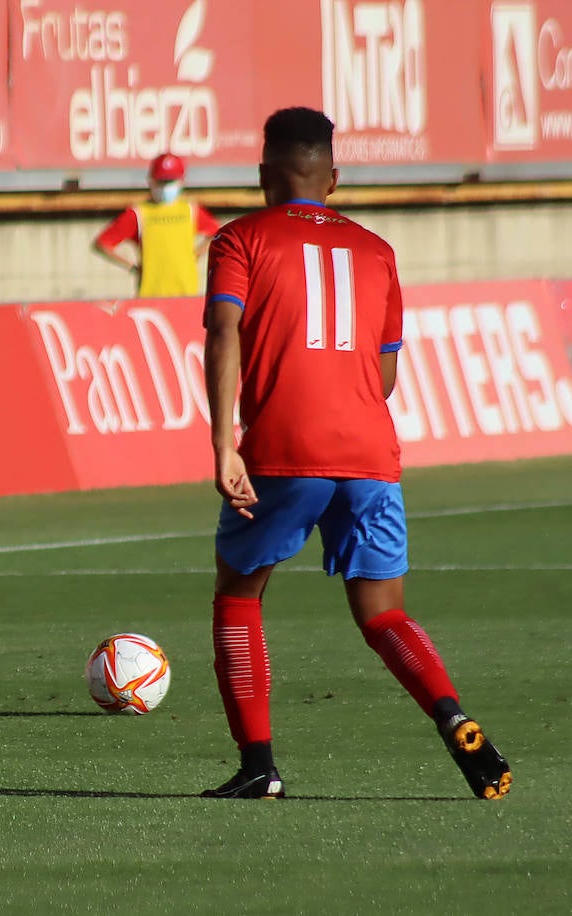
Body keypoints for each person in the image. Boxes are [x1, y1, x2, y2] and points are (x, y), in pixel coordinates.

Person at [200, 107, 511, 799]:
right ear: (332, 177)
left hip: (285, 449)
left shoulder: (238, 240)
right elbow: (388, 373)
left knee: (238, 598)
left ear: (262, 175)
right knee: (385, 614)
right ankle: (453, 715)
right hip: (371, 451)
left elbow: (224, 335)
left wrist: (225, 443)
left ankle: (259, 767)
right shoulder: (377, 251)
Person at [92, 153, 219, 297]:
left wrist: (195, 254)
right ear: (151, 181)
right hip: (150, 296)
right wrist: (132, 268)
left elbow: (216, 233)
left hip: (186, 294)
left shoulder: (190, 210)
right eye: (161, 182)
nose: (165, 187)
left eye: (170, 182)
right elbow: (101, 244)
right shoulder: (138, 214)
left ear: (181, 181)